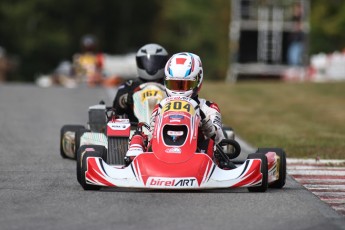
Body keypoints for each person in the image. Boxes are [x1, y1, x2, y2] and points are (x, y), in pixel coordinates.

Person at [126, 52, 225, 160]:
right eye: (173, 84)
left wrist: (205, 123)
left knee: (210, 145)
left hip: (198, 157)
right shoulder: (160, 107)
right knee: (139, 136)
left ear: (198, 81)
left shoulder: (208, 108)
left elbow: (219, 139)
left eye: (185, 85)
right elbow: (151, 137)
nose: (178, 90)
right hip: (161, 156)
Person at [112, 43, 169, 122]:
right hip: (134, 128)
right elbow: (116, 111)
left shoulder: (170, 85)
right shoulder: (129, 86)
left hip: (166, 125)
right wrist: (124, 100)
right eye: (147, 62)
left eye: (155, 62)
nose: (151, 66)